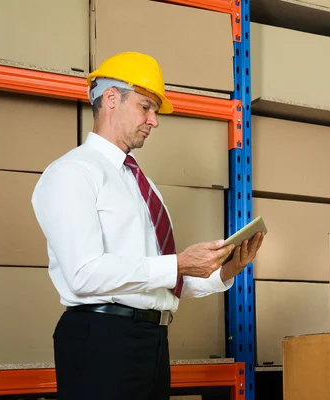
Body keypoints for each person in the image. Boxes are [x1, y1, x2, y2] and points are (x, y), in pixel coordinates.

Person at [31, 51, 264, 400]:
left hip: (151, 340)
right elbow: (84, 273)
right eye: (146, 106)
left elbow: (154, 280)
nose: (154, 120)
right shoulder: (73, 173)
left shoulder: (140, 182)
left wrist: (225, 269)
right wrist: (179, 263)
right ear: (111, 98)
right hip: (103, 339)